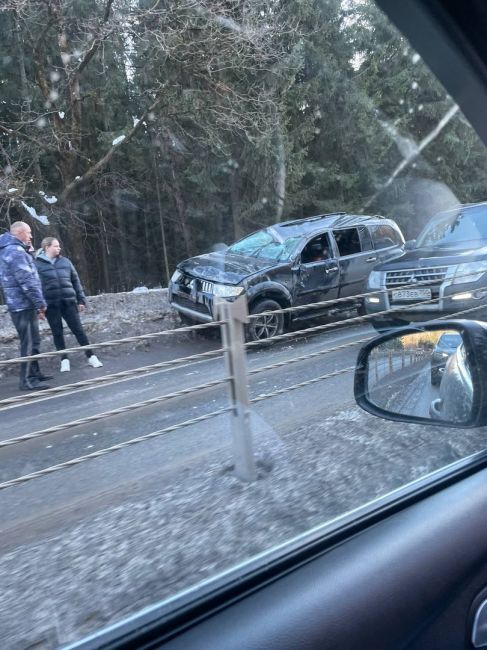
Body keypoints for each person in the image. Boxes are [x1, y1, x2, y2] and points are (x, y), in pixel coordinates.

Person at [35, 237, 103, 372]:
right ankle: (64, 360)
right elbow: (36, 287)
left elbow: (75, 281)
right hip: (51, 305)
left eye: (59, 246)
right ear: (47, 247)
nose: (59, 248)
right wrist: (39, 307)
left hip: (69, 302)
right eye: (56, 246)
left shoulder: (66, 262)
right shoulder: (37, 265)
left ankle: (91, 356)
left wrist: (81, 299)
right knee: (57, 333)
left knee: (79, 330)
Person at [0, 222, 52, 390]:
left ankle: (34, 373)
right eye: (28, 233)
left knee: (34, 340)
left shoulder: (17, 249)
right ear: (20, 232)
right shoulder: (14, 251)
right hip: (21, 304)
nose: (31, 236)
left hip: (25, 303)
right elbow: (27, 281)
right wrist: (40, 303)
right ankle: (26, 380)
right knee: (28, 343)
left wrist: (29, 251)